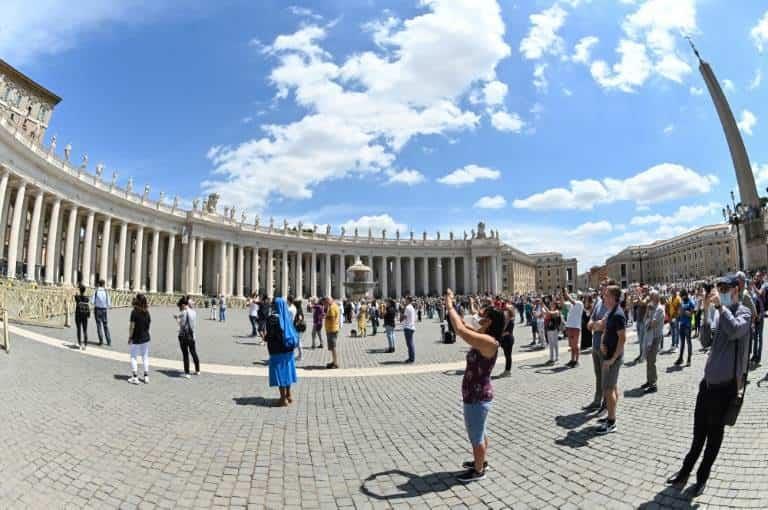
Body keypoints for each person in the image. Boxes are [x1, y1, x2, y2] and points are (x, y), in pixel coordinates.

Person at [667, 274, 751, 497]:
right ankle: (685, 471)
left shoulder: (744, 312)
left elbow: (734, 331)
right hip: (708, 384)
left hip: (726, 388)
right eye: (718, 287)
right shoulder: (717, 312)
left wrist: (719, 309)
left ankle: (701, 477)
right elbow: (705, 341)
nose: (720, 291)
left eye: (724, 287)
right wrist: (705, 311)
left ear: (736, 289)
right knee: (698, 435)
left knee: (714, 438)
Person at [444, 288, 501, 483]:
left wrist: (449, 305)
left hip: (478, 397)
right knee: (480, 431)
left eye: (481, 316)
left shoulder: (489, 342)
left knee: (475, 436)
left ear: (489, 322)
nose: (477, 317)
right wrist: (456, 312)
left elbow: (459, 330)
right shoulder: (483, 337)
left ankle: (478, 471)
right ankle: (481, 461)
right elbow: (462, 326)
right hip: (476, 395)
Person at [596, 285, 626, 434]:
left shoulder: (618, 314)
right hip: (608, 354)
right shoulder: (611, 312)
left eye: (606, 295)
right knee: (611, 387)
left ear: (614, 298)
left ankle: (612, 422)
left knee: (608, 389)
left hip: (612, 357)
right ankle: (610, 415)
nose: (604, 297)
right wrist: (602, 343)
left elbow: (622, 339)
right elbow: (606, 329)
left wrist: (613, 359)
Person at [266, 297, 299, 406]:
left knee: (280, 374)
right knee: (287, 373)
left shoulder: (272, 319)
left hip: (277, 350)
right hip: (288, 350)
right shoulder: (287, 317)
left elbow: (270, 335)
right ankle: (289, 395)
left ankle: (282, 399)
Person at [642, 290, 665, 393]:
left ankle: (653, 384)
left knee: (652, 360)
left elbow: (652, 324)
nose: (650, 297)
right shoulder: (651, 308)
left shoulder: (659, 309)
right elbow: (644, 321)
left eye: (651, 296)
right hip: (650, 336)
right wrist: (647, 310)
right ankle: (649, 380)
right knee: (648, 359)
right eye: (650, 295)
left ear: (656, 297)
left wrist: (648, 320)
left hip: (655, 337)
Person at [128, 294, 151, 385]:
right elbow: (148, 324)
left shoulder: (134, 312)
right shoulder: (147, 312)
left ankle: (135, 377)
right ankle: (146, 376)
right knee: (145, 357)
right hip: (145, 337)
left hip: (136, 337)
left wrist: (130, 337)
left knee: (133, 356)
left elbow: (132, 326)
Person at [175, 296, 200, 378]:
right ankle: (197, 370)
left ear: (183, 304)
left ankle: (187, 372)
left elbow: (182, 325)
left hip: (184, 336)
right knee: (193, 352)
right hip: (192, 335)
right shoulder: (194, 312)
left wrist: (177, 320)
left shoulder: (184, 312)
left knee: (185, 354)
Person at [563, 289, 583, 368]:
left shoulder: (579, 303)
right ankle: (572, 360)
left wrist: (565, 292)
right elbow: (563, 303)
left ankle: (577, 361)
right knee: (572, 346)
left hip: (575, 327)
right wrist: (562, 294)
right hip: (570, 327)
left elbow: (569, 299)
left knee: (575, 345)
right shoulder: (571, 306)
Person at [676, 289, 696, 367]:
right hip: (682, 324)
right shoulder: (682, 302)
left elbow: (691, 314)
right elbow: (679, 313)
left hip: (688, 325)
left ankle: (689, 359)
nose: (681, 297)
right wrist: (679, 312)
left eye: (682, 296)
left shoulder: (690, 302)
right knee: (682, 342)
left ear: (685, 295)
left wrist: (683, 311)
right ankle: (680, 358)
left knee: (688, 342)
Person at [91, 279, 112, 346]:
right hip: (104, 310)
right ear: (103, 284)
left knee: (99, 325)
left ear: (98, 284)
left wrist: (96, 302)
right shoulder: (106, 292)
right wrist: (108, 306)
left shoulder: (96, 291)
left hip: (97, 309)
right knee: (105, 325)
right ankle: (109, 341)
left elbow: (92, 301)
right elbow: (108, 302)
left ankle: (101, 341)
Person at [324, 296, 340, 369]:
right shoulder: (334, 306)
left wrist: (325, 317)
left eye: (326, 302)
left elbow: (332, 318)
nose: (325, 303)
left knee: (333, 347)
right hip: (333, 329)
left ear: (329, 301)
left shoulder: (332, 308)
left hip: (332, 329)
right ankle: (334, 361)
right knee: (332, 346)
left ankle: (335, 363)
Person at [544, 300, 561, 365]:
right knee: (551, 344)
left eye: (552, 304)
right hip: (549, 329)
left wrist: (543, 306)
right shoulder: (551, 310)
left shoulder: (557, 311)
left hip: (554, 329)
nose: (551, 305)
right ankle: (551, 358)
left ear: (555, 305)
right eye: (551, 304)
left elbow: (550, 313)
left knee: (555, 344)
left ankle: (557, 358)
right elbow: (546, 315)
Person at [499, 307, 514, 377]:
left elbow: (508, 332)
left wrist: (499, 334)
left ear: (509, 313)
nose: (504, 312)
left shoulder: (511, 321)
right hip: (504, 340)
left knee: (508, 356)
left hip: (509, 339)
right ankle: (507, 370)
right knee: (506, 355)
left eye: (506, 311)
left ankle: (508, 371)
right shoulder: (505, 320)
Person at [74, 284, 90, 351]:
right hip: (85, 315)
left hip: (78, 314)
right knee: (85, 330)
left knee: (78, 329)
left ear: (79, 290)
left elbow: (75, 296)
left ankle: (79, 344)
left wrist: (76, 293)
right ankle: (85, 344)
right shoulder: (87, 298)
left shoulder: (77, 297)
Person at [402, 296, 417, 363]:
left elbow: (405, 316)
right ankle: (411, 358)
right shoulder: (412, 307)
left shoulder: (407, 307)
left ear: (408, 300)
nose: (405, 301)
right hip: (411, 326)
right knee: (410, 344)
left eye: (406, 300)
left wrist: (401, 318)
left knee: (410, 344)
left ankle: (411, 359)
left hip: (408, 327)